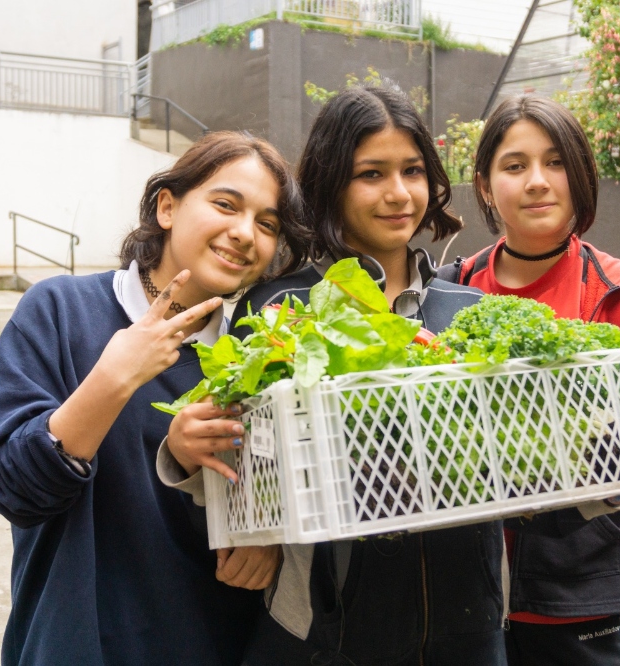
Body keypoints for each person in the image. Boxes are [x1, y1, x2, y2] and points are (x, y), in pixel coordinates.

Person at [165, 84, 506, 666]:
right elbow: (240, 453)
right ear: (331, 183)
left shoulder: (466, 309)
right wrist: (233, 511)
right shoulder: (278, 306)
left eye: (413, 170)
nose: (398, 193)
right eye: (371, 173)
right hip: (322, 631)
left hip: (467, 628)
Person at [0, 131, 312, 665]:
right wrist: (113, 377)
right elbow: (10, 489)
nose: (244, 233)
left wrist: (266, 533)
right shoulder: (62, 312)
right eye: (225, 204)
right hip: (77, 642)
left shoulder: (262, 353)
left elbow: (288, 501)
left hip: (215, 642)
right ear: (167, 206)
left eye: (267, 224)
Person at [437, 94, 620, 666]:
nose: (537, 181)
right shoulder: (446, 292)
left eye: (556, 162)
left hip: (575, 598)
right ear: (487, 187)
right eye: (515, 166)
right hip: (459, 597)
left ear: (582, 175)